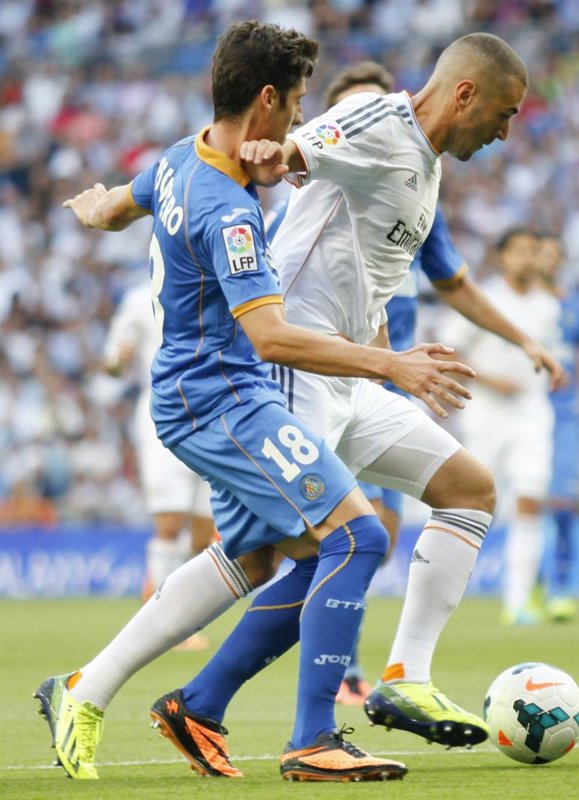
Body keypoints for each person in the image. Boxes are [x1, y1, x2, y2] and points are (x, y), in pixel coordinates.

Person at [36, 21, 475, 782]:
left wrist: (94, 206)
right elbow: (270, 338)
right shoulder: (230, 212)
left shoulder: (179, 156)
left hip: (207, 391)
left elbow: (116, 209)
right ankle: (311, 739)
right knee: (357, 539)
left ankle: (113, 693)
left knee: (265, 558)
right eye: (298, 102)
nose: (301, 117)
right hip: (223, 399)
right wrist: (389, 364)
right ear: (268, 99)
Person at [143, 32, 545, 777]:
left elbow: (368, 259)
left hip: (356, 377)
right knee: (323, 547)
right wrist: (273, 152)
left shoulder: (426, 162)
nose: (505, 131)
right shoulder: (379, 121)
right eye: (505, 113)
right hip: (301, 363)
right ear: (465, 93)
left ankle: (400, 678)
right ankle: (302, 734)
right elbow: (297, 150)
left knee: (467, 490)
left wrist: (387, 344)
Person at [443, 228, 563, 625]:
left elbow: (551, 352)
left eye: (534, 250)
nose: (528, 258)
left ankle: (517, 602)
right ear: (502, 256)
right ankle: (443, 590)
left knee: (530, 498)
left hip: (532, 410)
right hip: (487, 412)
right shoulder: (483, 298)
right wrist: (493, 381)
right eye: (521, 250)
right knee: (470, 501)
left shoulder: (548, 306)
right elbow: (451, 350)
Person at [104, 279, 215, 651]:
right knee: (169, 522)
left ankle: (175, 609)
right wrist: (118, 361)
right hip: (162, 411)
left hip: (211, 411)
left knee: (203, 535)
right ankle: (165, 623)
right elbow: (111, 362)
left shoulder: (211, 286)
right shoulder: (139, 299)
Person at [535, 231, 579, 621]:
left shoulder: (576, 304)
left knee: (562, 503)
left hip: (566, 412)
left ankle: (560, 586)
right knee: (528, 501)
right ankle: (530, 583)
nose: (550, 260)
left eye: (556, 254)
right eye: (543, 253)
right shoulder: (521, 304)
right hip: (527, 411)